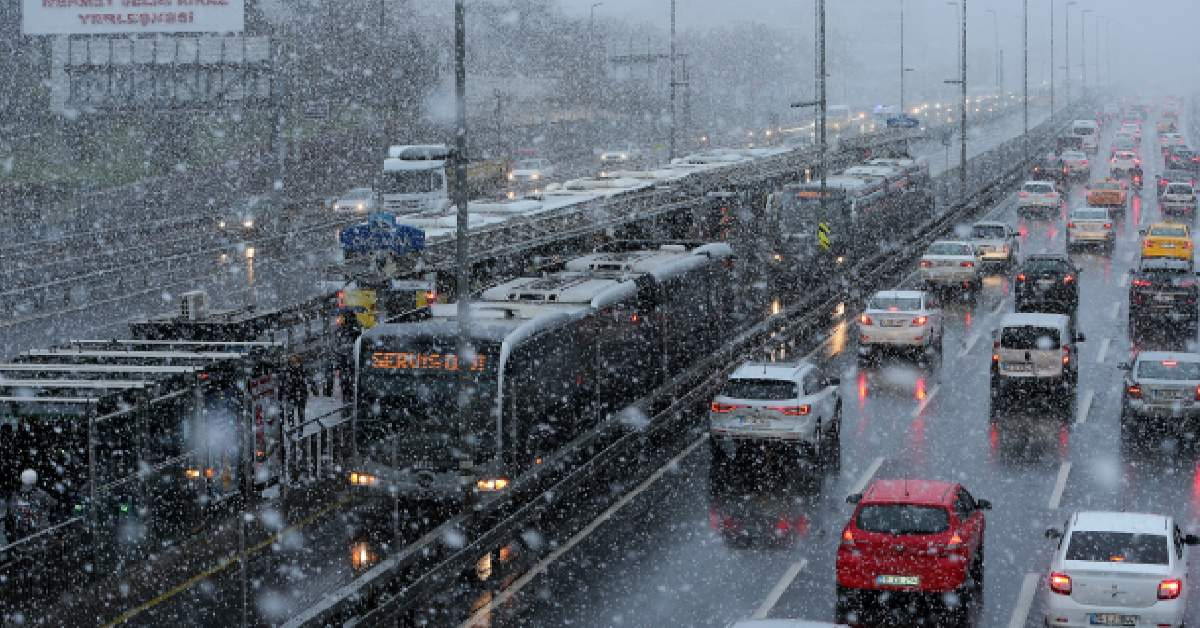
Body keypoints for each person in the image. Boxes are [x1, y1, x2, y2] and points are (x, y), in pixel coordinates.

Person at [7, 469, 58, 542]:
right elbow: (54, 503)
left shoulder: (15, 495)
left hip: (21, 536)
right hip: (41, 535)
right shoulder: (41, 495)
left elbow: (11, 511)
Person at [282, 354, 310, 425]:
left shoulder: (302, 370)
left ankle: (300, 431)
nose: (294, 364)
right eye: (292, 362)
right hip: (290, 394)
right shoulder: (287, 371)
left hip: (301, 394)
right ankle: (291, 430)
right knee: (290, 414)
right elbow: (284, 382)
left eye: (295, 362)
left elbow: (305, 381)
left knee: (301, 415)